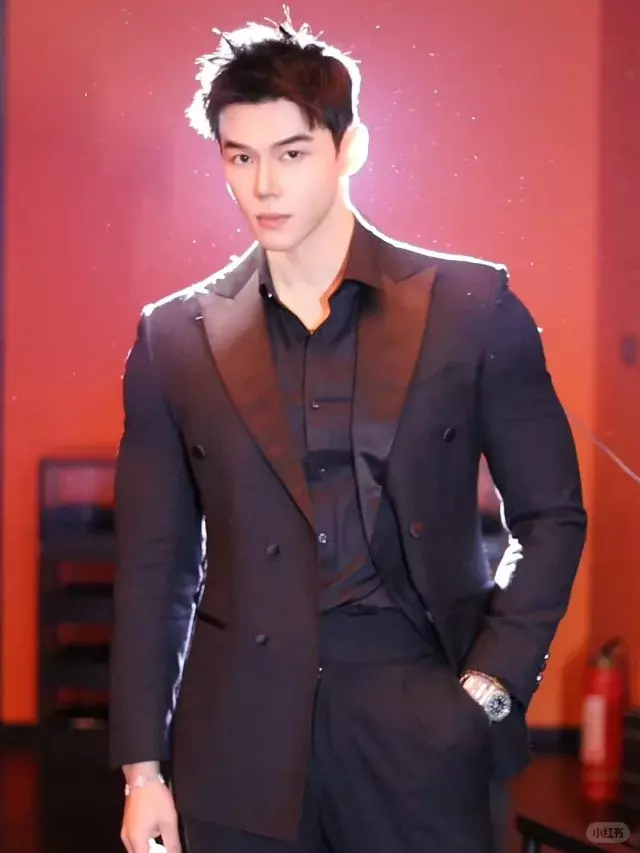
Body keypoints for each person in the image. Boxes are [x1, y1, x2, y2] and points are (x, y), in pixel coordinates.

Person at [109, 15, 587, 853]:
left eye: (291, 153)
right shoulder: (173, 338)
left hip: (420, 721)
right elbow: (156, 566)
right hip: (237, 743)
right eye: (240, 157)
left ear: (350, 147)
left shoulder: (471, 307)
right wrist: (142, 772)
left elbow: (552, 515)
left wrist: (490, 683)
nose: (264, 185)